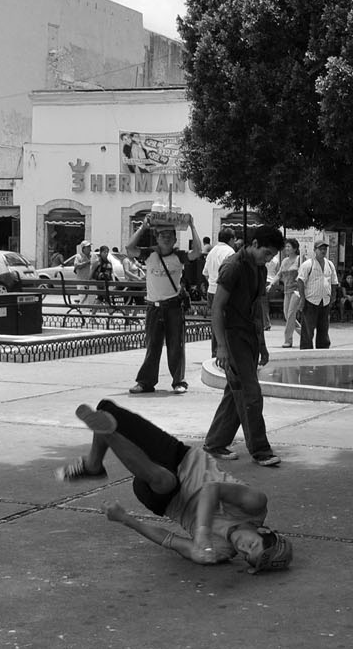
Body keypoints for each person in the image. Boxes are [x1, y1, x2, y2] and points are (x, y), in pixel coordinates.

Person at [59, 401, 292, 572]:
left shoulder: (218, 551)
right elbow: (211, 489)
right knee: (107, 411)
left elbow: (168, 540)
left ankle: (109, 434)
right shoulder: (255, 505)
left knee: (164, 480)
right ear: (262, 531)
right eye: (252, 545)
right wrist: (202, 534)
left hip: (163, 496)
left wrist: (126, 519)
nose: (243, 549)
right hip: (182, 458)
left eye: (246, 556)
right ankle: (93, 464)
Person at [204, 225, 286, 467]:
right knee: (250, 394)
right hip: (232, 336)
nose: (269, 259)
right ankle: (260, 450)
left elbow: (257, 308)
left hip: (249, 336)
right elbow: (216, 309)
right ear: (255, 244)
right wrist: (221, 347)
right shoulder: (233, 267)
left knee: (235, 392)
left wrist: (262, 345)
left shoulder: (259, 269)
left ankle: (215, 442)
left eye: (272, 256)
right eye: (267, 253)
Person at [129, 211, 202, 394]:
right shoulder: (149, 255)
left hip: (173, 307)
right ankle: (145, 382)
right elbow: (129, 249)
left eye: (170, 236)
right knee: (152, 346)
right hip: (154, 307)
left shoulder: (179, 256)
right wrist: (143, 227)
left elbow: (197, 252)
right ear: (157, 237)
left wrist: (192, 226)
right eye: (163, 235)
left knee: (176, 345)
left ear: (175, 239)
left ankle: (179, 382)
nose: (166, 238)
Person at [297, 241, 338, 350]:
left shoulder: (330, 264)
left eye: (325, 249)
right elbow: (300, 281)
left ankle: (323, 349)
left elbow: (334, 282)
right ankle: (306, 350)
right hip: (311, 300)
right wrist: (302, 298)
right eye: (320, 249)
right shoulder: (308, 264)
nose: (323, 251)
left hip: (325, 300)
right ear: (315, 250)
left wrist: (333, 296)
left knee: (324, 329)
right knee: (308, 330)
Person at [270, 241, 302, 348]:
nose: (286, 248)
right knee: (287, 315)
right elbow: (278, 274)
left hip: (296, 291)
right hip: (286, 291)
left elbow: (303, 275)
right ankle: (305, 334)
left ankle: (288, 340)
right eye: (286, 246)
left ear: (295, 248)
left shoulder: (299, 260)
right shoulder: (284, 261)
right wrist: (271, 284)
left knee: (291, 314)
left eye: (289, 246)